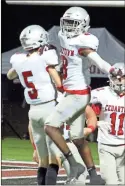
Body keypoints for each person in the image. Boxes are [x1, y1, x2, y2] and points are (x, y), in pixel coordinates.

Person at [44, 6, 114, 183]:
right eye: (67, 23)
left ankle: (74, 164)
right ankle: (93, 175)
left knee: (50, 127)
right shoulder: (62, 36)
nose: (69, 27)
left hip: (77, 94)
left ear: (84, 25)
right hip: (73, 92)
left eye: (73, 24)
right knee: (77, 138)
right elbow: (67, 60)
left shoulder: (84, 42)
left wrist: (112, 70)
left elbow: (96, 60)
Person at [7, 25, 63, 185]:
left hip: (33, 112)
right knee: (54, 158)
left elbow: (11, 75)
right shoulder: (46, 56)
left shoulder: (18, 60)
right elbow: (58, 82)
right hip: (49, 109)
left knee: (42, 160)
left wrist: (20, 68)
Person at [90, 62, 125, 184]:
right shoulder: (100, 93)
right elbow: (79, 105)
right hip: (106, 145)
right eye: (116, 77)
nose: (119, 81)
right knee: (111, 182)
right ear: (110, 77)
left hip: (124, 145)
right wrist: (94, 122)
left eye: (123, 77)